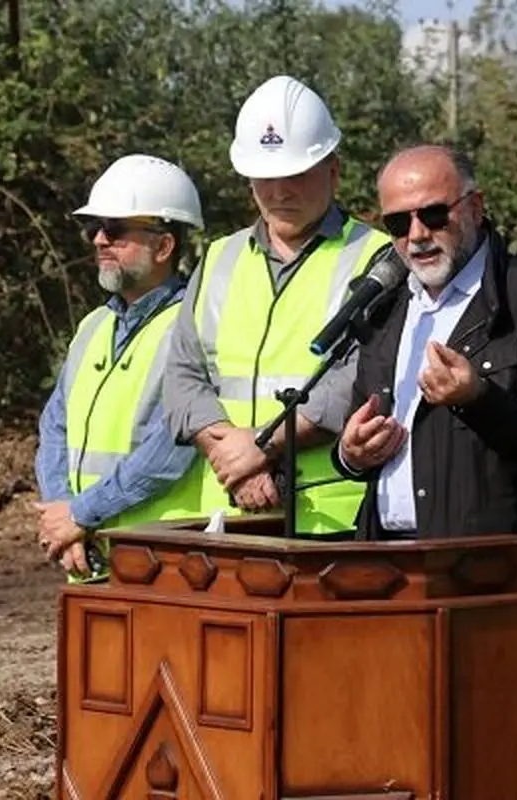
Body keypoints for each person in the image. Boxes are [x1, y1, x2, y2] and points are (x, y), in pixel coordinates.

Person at [332, 144, 517, 632]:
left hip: (495, 579)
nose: (417, 235)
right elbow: (363, 431)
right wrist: (352, 454)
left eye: (435, 215)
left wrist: (477, 399)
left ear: (475, 208)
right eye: (399, 223)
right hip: (391, 569)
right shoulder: (385, 306)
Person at [163, 74, 392, 535]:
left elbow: (360, 379)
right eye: (266, 177)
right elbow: (183, 375)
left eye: (296, 174)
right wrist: (235, 454)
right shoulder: (219, 258)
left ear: (333, 169)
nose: (280, 191)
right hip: (226, 514)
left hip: (332, 520)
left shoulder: (379, 258)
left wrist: (262, 447)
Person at [34, 154, 206, 583]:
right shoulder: (93, 325)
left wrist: (79, 513)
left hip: (164, 564)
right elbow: (55, 427)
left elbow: (171, 448)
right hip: (87, 555)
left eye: (114, 230)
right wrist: (63, 518)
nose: (97, 241)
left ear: (164, 246)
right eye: (94, 229)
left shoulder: (197, 324)